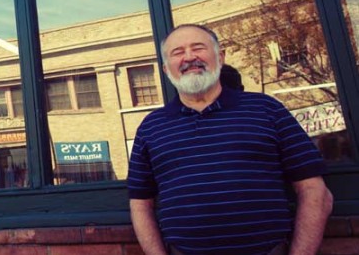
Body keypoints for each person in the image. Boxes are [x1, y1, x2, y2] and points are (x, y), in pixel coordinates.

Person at [128, 24, 333, 255]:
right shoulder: (151, 127)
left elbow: (315, 190)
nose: (189, 57)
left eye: (198, 48)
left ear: (220, 57)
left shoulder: (266, 110)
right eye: (178, 52)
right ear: (166, 68)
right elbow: (140, 203)